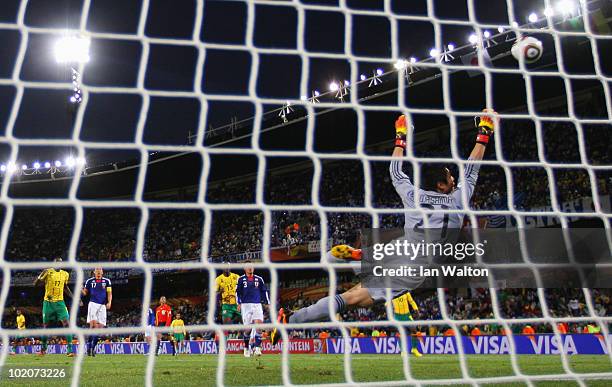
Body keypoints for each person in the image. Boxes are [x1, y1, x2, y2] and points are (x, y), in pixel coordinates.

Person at [271, 110, 497, 345]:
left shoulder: (414, 195)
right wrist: (484, 132)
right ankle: (296, 316)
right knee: (352, 298)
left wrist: (400, 137)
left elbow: (396, 172)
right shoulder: (458, 199)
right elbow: (472, 168)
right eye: (450, 177)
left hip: (403, 249)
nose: (454, 179)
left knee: (357, 297)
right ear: (441, 185)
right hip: (419, 266)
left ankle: (354, 259)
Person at [34, 258, 78, 356]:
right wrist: (40, 275)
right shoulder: (48, 272)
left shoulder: (65, 274)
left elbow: (65, 287)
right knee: (46, 326)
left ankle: (70, 350)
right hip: (48, 303)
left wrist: (74, 298)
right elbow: (35, 284)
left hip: (60, 303)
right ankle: (43, 349)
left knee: (67, 324)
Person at [236, 262, 270, 357]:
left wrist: (267, 303)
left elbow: (264, 291)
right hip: (246, 305)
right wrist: (238, 303)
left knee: (259, 326)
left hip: (257, 304)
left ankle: (257, 348)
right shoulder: (241, 279)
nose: (250, 268)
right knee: (248, 330)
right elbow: (238, 292)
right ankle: (246, 348)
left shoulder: (259, 279)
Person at [82, 267, 112, 356]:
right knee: (93, 327)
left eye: (100, 271)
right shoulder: (89, 281)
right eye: (97, 271)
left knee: (100, 329)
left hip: (102, 306)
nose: (98, 272)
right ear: (94, 272)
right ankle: (88, 348)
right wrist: (80, 288)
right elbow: (85, 293)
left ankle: (92, 348)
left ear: (102, 272)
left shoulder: (107, 281)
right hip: (93, 305)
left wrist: (109, 302)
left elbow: (109, 293)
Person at [392, 292, 422, 357]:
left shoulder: (405, 292)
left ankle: (414, 349)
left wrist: (416, 309)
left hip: (407, 315)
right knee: (401, 333)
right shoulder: (392, 293)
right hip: (398, 316)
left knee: (414, 330)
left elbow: (411, 301)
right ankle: (403, 351)